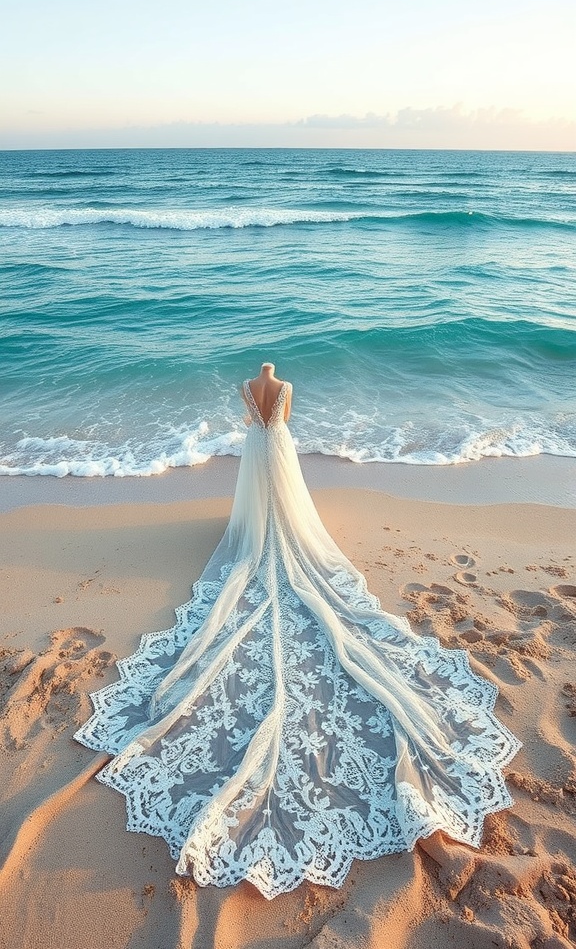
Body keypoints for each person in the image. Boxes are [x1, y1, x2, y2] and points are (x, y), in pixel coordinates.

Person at [75, 363, 521, 899]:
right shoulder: (282, 388)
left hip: (257, 455)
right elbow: (284, 418)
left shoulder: (247, 388)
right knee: (291, 517)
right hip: (278, 449)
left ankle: (264, 533)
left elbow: (256, 420)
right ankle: (281, 532)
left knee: (262, 518)